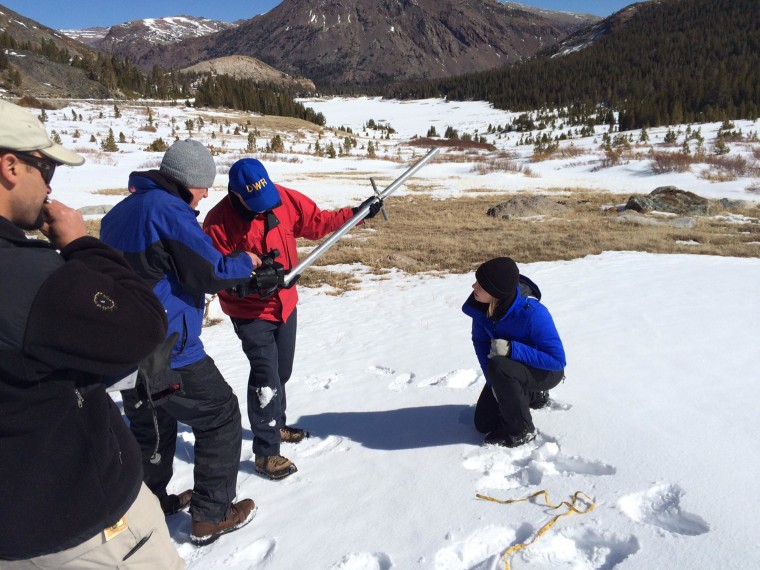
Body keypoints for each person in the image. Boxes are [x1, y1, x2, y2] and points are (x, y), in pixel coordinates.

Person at [0, 99, 184, 568]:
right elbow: (144, 324)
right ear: (10, 166)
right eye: (47, 169)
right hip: (91, 533)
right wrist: (83, 246)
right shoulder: (26, 278)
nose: (49, 186)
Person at [100, 139, 260, 546]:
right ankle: (212, 514)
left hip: (126, 348)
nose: (207, 193)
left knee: (152, 425)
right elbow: (208, 270)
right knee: (221, 415)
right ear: (187, 180)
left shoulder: (120, 213)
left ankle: (148, 505)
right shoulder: (169, 210)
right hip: (170, 348)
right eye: (204, 185)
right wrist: (247, 263)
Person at [203, 158, 383, 480]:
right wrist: (250, 283)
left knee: (281, 370)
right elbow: (214, 274)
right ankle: (266, 453)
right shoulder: (218, 222)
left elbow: (317, 222)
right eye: (254, 203)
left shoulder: (282, 198)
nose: (262, 207)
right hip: (251, 314)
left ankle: (277, 423)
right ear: (237, 195)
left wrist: (357, 214)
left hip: (286, 303)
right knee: (265, 377)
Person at [462, 257, 566, 447]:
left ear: (495, 292)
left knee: (500, 365)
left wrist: (511, 349)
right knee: (483, 423)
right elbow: (480, 342)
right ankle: (530, 396)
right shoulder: (482, 309)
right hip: (507, 371)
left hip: (544, 372)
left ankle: (523, 430)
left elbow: (557, 361)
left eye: (481, 285)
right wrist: (492, 382)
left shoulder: (533, 313)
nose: (473, 286)